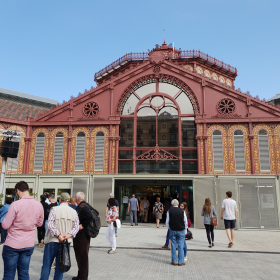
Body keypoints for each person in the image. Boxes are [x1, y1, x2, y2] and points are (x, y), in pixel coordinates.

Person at [1, 181, 44, 279]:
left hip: (13, 244)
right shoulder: (38, 205)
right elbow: (39, 224)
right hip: (28, 244)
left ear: (17, 191)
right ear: (28, 190)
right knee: (24, 273)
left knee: (9, 274)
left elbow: (5, 225)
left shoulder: (15, 204)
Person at [40, 192, 79, 280]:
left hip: (52, 241)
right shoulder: (74, 212)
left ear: (60, 200)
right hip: (66, 243)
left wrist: (58, 235)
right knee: (60, 267)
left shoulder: (54, 209)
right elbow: (76, 228)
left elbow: (49, 225)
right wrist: (67, 236)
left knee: (46, 265)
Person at [73, 192, 93, 280]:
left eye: (75, 197)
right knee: (81, 257)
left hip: (82, 236)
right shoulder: (85, 205)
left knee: (82, 257)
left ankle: (83, 277)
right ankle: (80, 276)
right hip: (83, 235)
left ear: (77, 198)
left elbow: (90, 216)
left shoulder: (82, 207)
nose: (74, 198)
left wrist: (83, 225)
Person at [166, 199, 188, 266]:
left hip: (172, 230)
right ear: (178, 204)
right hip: (181, 230)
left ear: (172, 205)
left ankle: (174, 260)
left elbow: (167, 221)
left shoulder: (169, 211)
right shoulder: (182, 211)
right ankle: (181, 261)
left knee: (173, 245)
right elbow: (185, 221)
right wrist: (185, 230)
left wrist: (169, 228)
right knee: (181, 246)